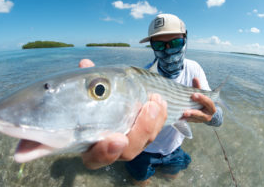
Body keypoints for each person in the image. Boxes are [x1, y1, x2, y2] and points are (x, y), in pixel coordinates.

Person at [79, 13, 223, 185]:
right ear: (151, 46)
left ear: (186, 39)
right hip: (144, 151)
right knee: (140, 181)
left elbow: (218, 119)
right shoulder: (139, 79)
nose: (168, 50)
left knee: (172, 176)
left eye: (175, 43)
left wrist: (209, 116)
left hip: (174, 149)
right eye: (159, 44)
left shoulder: (194, 69)